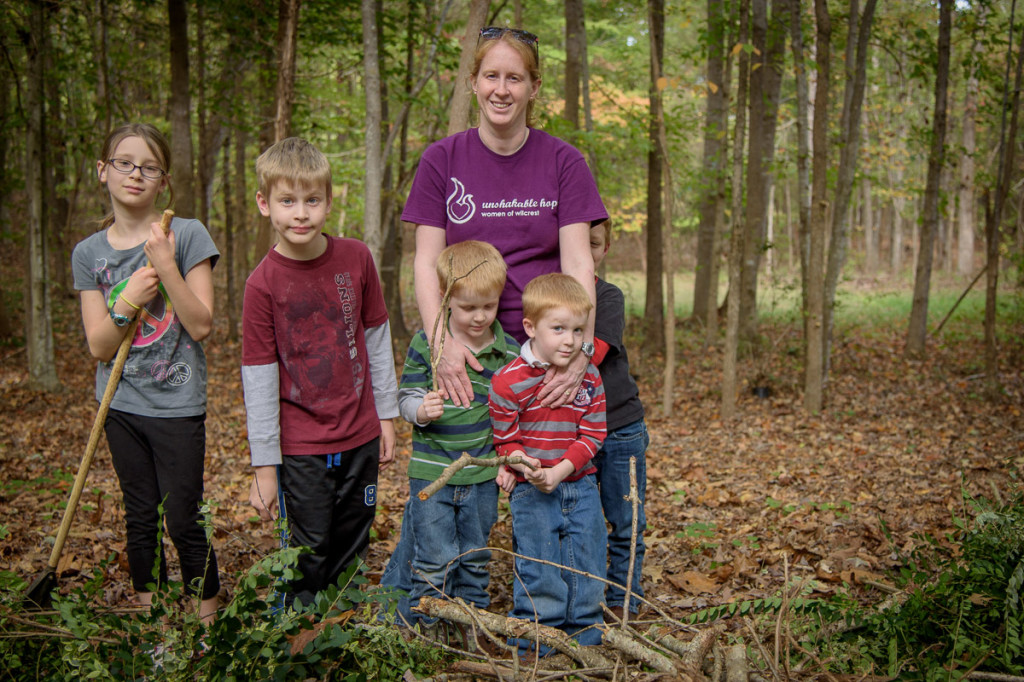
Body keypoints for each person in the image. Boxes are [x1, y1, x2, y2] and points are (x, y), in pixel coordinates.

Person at [403, 26, 608, 412]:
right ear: (473, 82)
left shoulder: (564, 162)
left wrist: (581, 350)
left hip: (546, 356)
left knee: (547, 472)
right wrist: (440, 343)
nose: (501, 90)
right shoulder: (440, 160)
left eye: (514, 78)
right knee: (473, 470)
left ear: (534, 87)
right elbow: (427, 261)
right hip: (470, 353)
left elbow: (579, 264)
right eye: (491, 76)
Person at [71, 123, 220, 621]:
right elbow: (99, 346)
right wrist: (128, 300)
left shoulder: (187, 235)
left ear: (164, 181)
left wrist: (166, 264)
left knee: (182, 519)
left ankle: (209, 629)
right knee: (141, 518)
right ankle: (154, 632)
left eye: (149, 167)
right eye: (124, 163)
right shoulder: (89, 254)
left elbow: (200, 325)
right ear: (102, 171)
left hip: (177, 404)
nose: (136, 174)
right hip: (121, 406)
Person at [242, 137, 399, 607]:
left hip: (359, 435)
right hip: (301, 447)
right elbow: (259, 377)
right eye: (287, 201)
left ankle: (342, 638)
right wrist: (264, 468)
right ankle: (295, 643)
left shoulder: (356, 258)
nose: (301, 213)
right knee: (307, 553)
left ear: (329, 201)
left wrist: (385, 415)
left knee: (352, 546)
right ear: (264, 203)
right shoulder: (262, 284)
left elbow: (376, 337)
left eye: (312, 200)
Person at [381, 240, 520, 634]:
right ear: (444, 299)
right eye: (468, 307)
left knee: (475, 558)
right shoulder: (427, 345)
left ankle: (469, 633)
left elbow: (512, 415)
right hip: (432, 474)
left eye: (489, 307)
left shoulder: (507, 353)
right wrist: (420, 412)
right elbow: (404, 397)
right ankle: (429, 635)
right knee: (434, 558)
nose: (479, 317)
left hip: (481, 478)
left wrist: (508, 460)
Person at [488, 273, 607, 651]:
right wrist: (523, 465)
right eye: (558, 328)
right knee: (538, 565)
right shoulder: (507, 382)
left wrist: (562, 470)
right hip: (531, 489)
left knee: (587, 559)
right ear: (530, 327)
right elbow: (506, 441)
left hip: (580, 482)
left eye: (576, 329)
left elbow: (593, 434)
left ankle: (585, 638)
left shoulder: (589, 376)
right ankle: (536, 640)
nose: (570, 340)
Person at [589, 220, 649, 618]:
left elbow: (592, 353)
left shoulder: (607, 296)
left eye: (594, 243)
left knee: (625, 521)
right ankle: (586, 598)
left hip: (618, 427)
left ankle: (624, 600)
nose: (586, 249)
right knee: (582, 521)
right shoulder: (546, 298)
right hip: (570, 432)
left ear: (605, 248)